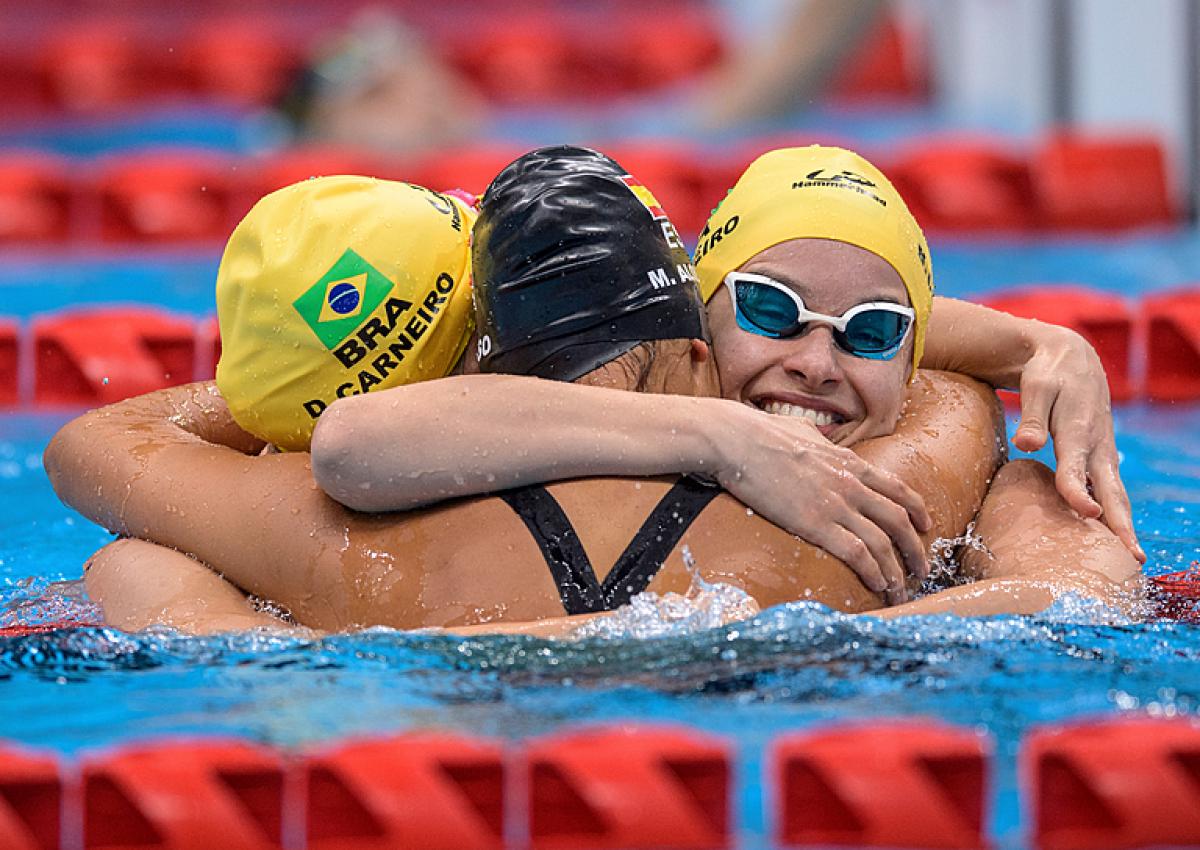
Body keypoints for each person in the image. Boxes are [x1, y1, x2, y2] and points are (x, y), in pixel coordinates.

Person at [46, 147, 1138, 636]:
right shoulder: (915, 465)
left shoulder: (343, 549)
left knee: (129, 570)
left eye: (869, 333)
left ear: (480, 362)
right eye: (760, 310)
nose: (811, 362)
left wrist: (278, 402)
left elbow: (105, 453)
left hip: (413, 725)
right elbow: (1088, 595)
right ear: (699, 328)